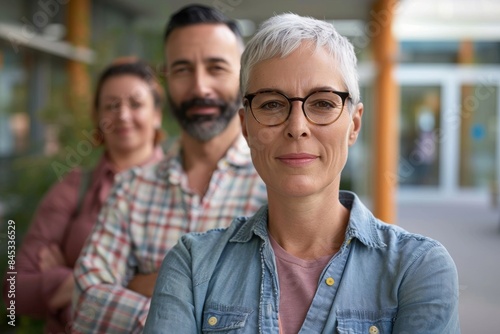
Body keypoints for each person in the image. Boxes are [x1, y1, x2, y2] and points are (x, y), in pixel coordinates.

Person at [144, 13, 460, 334]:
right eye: (271, 105)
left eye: (322, 103)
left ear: (354, 124)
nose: (297, 127)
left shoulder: (417, 268)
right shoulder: (191, 264)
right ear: (245, 127)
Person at [72, 5, 267, 333]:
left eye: (216, 67)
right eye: (182, 69)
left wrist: (147, 286)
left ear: (243, 77)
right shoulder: (132, 187)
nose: (199, 87)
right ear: (165, 80)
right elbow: (86, 299)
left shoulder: (274, 185)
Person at [2, 58, 165, 334]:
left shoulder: (184, 186)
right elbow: (12, 292)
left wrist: (71, 280)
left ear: (157, 114)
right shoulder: (75, 186)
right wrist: (135, 284)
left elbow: (189, 301)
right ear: (97, 118)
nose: (123, 115)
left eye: (135, 104)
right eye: (112, 105)